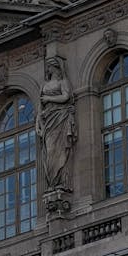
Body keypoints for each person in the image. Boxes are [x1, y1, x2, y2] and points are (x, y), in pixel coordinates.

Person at [35, 57, 76, 189]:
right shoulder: (44, 85)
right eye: (48, 67)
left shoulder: (63, 81)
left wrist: (49, 98)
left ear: (56, 68)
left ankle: (58, 181)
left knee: (57, 148)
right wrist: (38, 122)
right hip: (47, 118)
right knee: (49, 149)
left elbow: (66, 97)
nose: (49, 69)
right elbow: (40, 106)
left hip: (60, 116)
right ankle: (53, 181)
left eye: (51, 67)